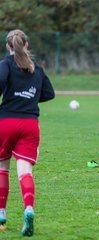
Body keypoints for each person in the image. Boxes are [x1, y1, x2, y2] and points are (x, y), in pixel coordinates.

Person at [0, 29, 55, 236]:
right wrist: (28, 99)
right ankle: (29, 209)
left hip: (6, 122)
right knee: (25, 172)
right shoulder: (37, 68)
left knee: (2, 169)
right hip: (30, 124)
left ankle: (2, 213)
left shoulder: (5, 64)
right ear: (27, 45)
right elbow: (49, 93)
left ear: (8, 47)